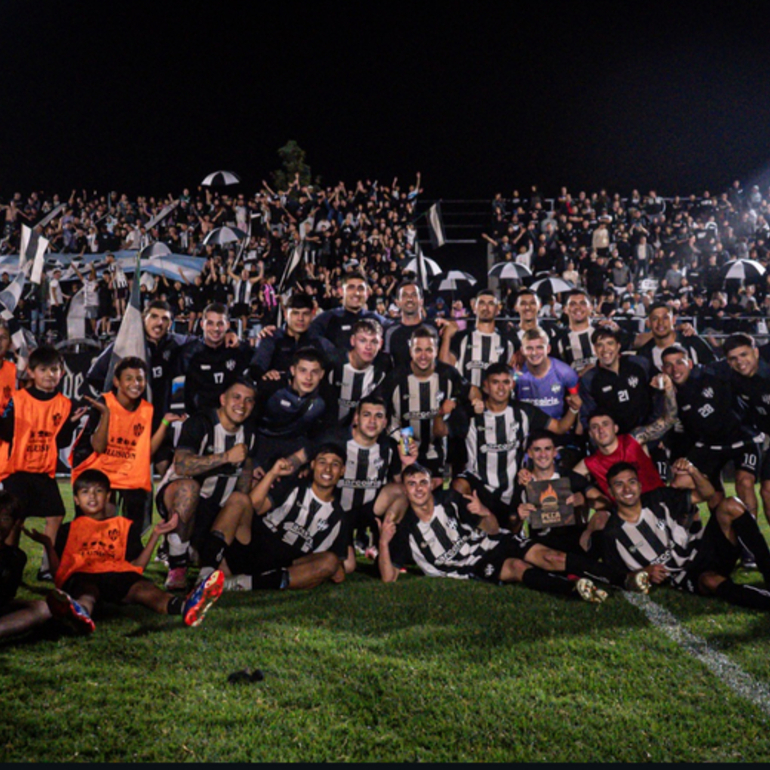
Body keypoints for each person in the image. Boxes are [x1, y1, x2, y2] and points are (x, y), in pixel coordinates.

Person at [377, 463, 637, 602]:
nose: (419, 489)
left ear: (432, 484)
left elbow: (491, 528)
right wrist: (384, 543)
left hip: (490, 540)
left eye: (423, 482)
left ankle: (622, 579)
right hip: (470, 564)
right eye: (412, 484)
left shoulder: (450, 500)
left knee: (552, 557)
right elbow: (388, 579)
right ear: (406, 490)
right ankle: (574, 589)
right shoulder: (405, 529)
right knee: (515, 567)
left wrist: (483, 512)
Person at [46, 469, 224, 633]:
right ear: (76, 499)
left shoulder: (123, 526)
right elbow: (59, 573)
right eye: (85, 492)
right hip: (84, 575)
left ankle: (186, 607)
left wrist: (155, 535)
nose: (92, 497)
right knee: (87, 591)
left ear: (108, 496)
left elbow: (137, 565)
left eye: (98, 491)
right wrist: (48, 545)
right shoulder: (68, 529)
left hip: (116, 574)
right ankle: (81, 614)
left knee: (144, 589)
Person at [601, 460, 770, 610]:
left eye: (631, 482)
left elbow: (707, 494)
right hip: (684, 574)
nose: (627, 489)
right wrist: (644, 572)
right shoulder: (612, 533)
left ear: (639, 485)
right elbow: (619, 578)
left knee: (731, 504)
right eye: (619, 484)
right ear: (610, 491)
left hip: (702, 548)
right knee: (711, 581)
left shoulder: (658, 498)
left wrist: (692, 470)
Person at [195, 444, 350, 592]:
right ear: (313, 464)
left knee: (330, 561)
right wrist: (273, 473)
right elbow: (254, 505)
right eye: (322, 462)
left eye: (335, 464)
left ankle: (241, 584)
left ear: (342, 470)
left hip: (284, 565)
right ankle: (205, 576)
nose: (328, 469)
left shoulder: (339, 518)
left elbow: (338, 571)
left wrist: (330, 569)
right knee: (238, 499)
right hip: (256, 543)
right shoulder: (294, 485)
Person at [156, 376, 257, 590]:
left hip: (213, 512)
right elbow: (182, 466)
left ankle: (204, 569)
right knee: (189, 488)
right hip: (181, 499)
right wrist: (226, 457)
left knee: (240, 500)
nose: (242, 404)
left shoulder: (250, 433)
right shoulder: (200, 422)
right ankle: (177, 565)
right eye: (236, 397)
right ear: (222, 399)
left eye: (248, 400)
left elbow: (244, 477)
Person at [453, 362, 582, 525]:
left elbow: (560, 427)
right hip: (478, 483)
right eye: (495, 382)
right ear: (485, 386)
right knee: (459, 485)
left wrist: (574, 410)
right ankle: (469, 535)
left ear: (512, 385)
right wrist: (445, 412)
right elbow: (440, 431)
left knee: (513, 524)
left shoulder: (524, 412)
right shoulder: (469, 413)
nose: (501, 388)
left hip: (514, 485)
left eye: (505, 382)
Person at [0, 345, 85, 580]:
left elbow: (62, 441)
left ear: (62, 373)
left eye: (55, 370)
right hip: (16, 470)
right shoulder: (18, 399)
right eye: (44, 370)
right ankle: (8, 564)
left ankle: (47, 568)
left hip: (43, 471)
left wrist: (69, 424)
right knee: (15, 519)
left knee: (56, 514)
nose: (50, 375)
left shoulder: (64, 404)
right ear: (31, 372)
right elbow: (5, 433)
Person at [71, 356, 184, 530]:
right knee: (96, 524)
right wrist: (106, 415)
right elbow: (98, 447)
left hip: (128, 474)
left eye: (140, 378)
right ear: (116, 381)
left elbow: (145, 454)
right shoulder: (103, 404)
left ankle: (131, 551)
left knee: (133, 527)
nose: (136, 383)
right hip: (98, 470)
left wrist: (165, 423)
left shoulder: (147, 410)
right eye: (129, 378)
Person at [378, 325, 472, 477]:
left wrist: (474, 400)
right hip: (404, 453)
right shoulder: (395, 378)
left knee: (443, 493)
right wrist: (403, 440)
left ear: (436, 350)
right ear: (410, 351)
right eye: (418, 350)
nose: (423, 356)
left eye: (428, 350)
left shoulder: (448, 374)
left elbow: (467, 398)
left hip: (441, 458)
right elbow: (383, 415)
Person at [515, 430, 610, 556]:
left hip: (572, 541)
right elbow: (511, 526)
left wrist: (584, 502)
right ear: (530, 453)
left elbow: (605, 502)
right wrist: (519, 518)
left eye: (547, 449)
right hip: (539, 547)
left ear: (555, 452)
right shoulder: (523, 482)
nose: (543, 454)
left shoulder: (569, 477)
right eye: (537, 449)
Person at [175, 302, 254, 415]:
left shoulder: (237, 350)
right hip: (199, 417)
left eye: (220, 324)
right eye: (210, 323)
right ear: (202, 324)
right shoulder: (189, 353)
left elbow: (259, 362)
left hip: (231, 418)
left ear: (227, 325)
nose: (216, 328)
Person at [579, 327, 655, 434]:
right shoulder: (589, 379)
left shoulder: (639, 364)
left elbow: (658, 396)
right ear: (594, 350)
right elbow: (588, 418)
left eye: (610, 343)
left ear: (618, 346)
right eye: (600, 345)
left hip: (647, 435)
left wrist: (655, 433)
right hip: (613, 442)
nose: (605, 349)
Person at [438, 289, 518, 388]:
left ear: (497, 310)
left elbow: (512, 376)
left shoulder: (507, 343)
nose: (486, 307)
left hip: (494, 401)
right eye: (481, 303)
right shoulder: (462, 337)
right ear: (474, 308)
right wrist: (446, 337)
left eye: (491, 303)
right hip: (466, 401)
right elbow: (444, 367)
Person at [0, 490, 53, 640]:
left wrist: (47, 545)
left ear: (15, 523)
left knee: (42, 608)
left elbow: (6, 598)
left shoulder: (16, 557)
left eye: (5, 518)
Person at [249, 292, 336, 381]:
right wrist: (267, 375)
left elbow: (338, 364)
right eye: (295, 313)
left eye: (305, 314)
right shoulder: (272, 337)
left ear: (312, 315)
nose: (300, 318)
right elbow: (256, 369)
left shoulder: (321, 343)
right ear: (286, 314)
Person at [322, 319, 391, 425]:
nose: (368, 347)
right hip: (329, 429)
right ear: (353, 341)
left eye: (374, 341)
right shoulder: (332, 362)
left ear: (381, 344)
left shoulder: (383, 366)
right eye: (362, 340)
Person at [308, 271, 387, 352]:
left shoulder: (379, 321)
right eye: (351, 287)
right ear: (341, 291)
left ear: (367, 293)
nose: (356, 293)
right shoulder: (326, 319)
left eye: (360, 288)